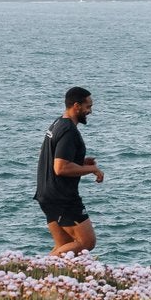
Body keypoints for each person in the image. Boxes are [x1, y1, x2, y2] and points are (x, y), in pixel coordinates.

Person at [36, 87, 103, 256]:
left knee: (66, 246)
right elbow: (60, 168)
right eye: (88, 106)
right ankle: (37, 269)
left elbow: (59, 159)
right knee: (86, 242)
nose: (90, 111)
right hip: (62, 197)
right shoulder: (69, 131)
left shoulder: (58, 123)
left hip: (47, 193)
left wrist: (81, 162)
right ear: (76, 106)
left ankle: (40, 277)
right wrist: (92, 169)